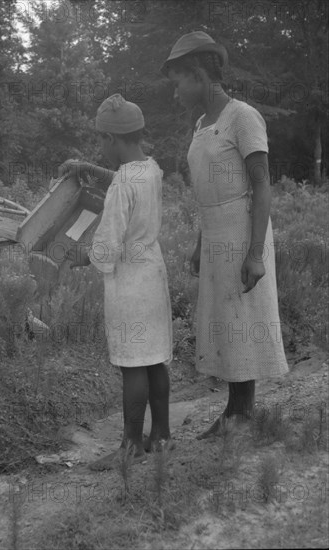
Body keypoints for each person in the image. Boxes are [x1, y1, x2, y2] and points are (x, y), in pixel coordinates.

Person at [161, 31, 289, 439]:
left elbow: (262, 184)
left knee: (242, 316)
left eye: (179, 81)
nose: (176, 91)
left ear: (199, 75)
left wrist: (255, 254)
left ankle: (242, 414)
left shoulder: (242, 117)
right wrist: (201, 243)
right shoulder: (202, 125)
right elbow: (207, 192)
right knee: (226, 319)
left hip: (242, 228)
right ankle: (235, 410)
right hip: (215, 232)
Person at [61, 93, 173, 470]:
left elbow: (107, 244)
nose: (100, 148)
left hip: (129, 280)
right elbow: (126, 179)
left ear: (111, 139)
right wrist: (89, 168)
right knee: (155, 359)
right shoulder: (150, 168)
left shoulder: (124, 184)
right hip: (152, 273)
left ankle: (129, 445)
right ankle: (160, 436)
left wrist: (77, 255)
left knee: (132, 364)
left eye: (101, 141)